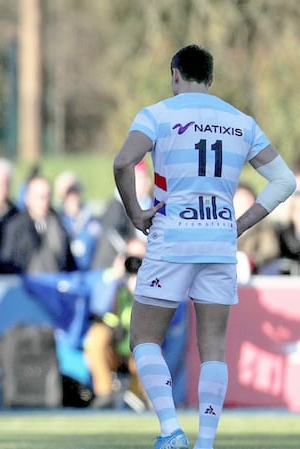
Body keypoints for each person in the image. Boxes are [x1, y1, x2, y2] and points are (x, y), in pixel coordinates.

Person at [113, 45, 296, 449]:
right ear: (211, 80)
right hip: (217, 241)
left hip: (172, 238)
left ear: (174, 75)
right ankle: (207, 442)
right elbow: (285, 181)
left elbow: (124, 162)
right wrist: (240, 223)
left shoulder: (157, 114)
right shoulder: (240, 122)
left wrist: (135, 213)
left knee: (144, 337)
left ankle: (170, 430)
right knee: (213, 345)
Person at [84, 237, 147, 410]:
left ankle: (140, 396)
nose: (134, 263)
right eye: (130, 257)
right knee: (97, 335)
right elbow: (99, 308)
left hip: (136, 348)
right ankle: (105, 394)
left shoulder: (154, 282)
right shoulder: (109, 278)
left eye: (140, 258)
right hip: (114, 346)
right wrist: (116, 280)